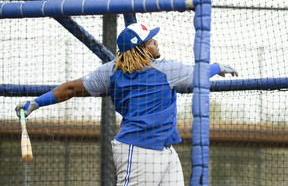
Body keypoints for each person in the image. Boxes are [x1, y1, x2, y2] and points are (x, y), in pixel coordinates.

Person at [15, 23, 238, 186]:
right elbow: (197, 74)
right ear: (141, 49)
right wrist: (217, 66)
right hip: (137, 150)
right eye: (150, 41)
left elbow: (70, 88)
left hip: (166, 151)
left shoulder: (110, 71)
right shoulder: (164, 69)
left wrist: (35, 103)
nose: (155, 42)